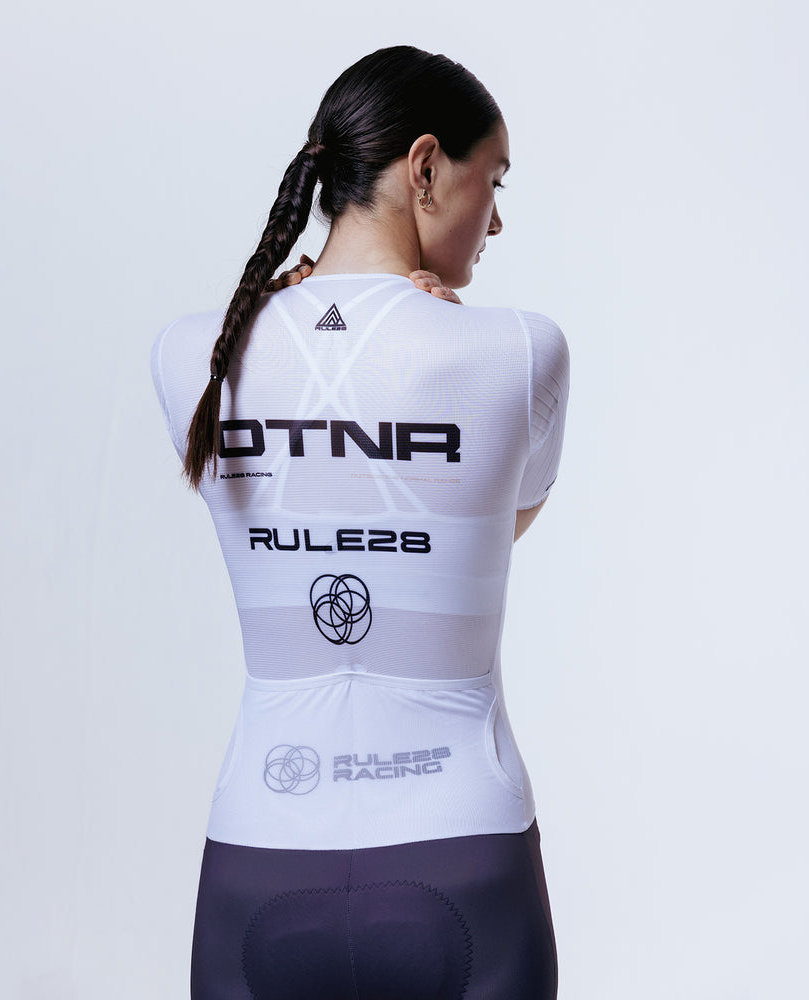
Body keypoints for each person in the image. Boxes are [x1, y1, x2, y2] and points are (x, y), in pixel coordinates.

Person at [151, 45, 569, 1000]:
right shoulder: (520, 350)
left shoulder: (192, 356)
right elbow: (485, 529)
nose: (497, 217)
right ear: (425, 168)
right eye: (493, 180)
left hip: (259, 854)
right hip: (467, 857)